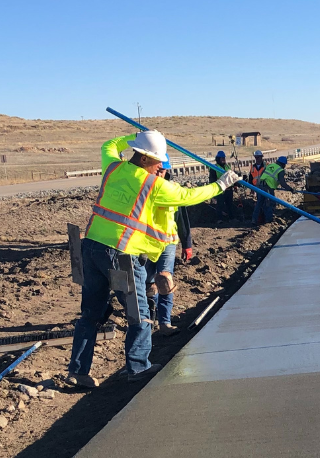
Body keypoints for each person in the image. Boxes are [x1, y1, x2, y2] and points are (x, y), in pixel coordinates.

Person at [66, 130, 239, 387]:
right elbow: (188, 196)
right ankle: (138, 367)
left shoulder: (113, 168)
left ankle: (78, 372)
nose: (161, 166)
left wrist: (135, 136)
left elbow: (109, 145)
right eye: (158, 160)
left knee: (90, 314)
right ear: (145, 158)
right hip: (120, 254)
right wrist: (221, 185)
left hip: (91, 249)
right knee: (139, 313)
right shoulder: (152, 185)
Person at [144, 156, 193, 336]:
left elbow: (182, 219)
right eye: (157, 170)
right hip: (146, 244)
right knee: (148, 284)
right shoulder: (143, 189)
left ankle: (165, 323)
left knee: (165, 281)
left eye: (162, 170)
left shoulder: (173, 190)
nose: (159, 174)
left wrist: (187, 244)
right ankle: (149, 320)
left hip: (168, 244)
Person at [253, 156, 291, 226]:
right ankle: (268, 220)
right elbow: (283, 183)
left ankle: (254, 220)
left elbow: (262, 174)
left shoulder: (270, 165)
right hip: (268, 188)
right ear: (283, 164)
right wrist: (290, 189)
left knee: (259, 203)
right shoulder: (280, 170)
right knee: (270, 203)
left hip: (261, 186)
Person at [210, 150, 234, 220]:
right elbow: (212, 179)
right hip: (220, 190)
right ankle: (219, 219)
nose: (223, 159)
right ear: (218, 159)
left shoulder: (227, 167)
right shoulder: (214, 168)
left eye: (224, 158)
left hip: (229, 189)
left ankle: (231, 218)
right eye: (222, 158)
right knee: (220, 205)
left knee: (230, 205)